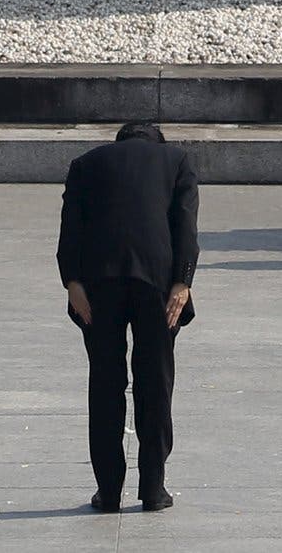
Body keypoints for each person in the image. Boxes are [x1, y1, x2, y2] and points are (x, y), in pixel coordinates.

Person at [57, 120, 198, 515]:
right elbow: (185, 225)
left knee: (105, 383)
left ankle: (109, 490)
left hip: (98, 285)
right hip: (157, 284)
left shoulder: (86, 164)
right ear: (157, 141)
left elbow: (71, 229)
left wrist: (72, 282)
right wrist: (182, 282)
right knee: (154, 383)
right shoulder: (177, 161)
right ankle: (153, 489)